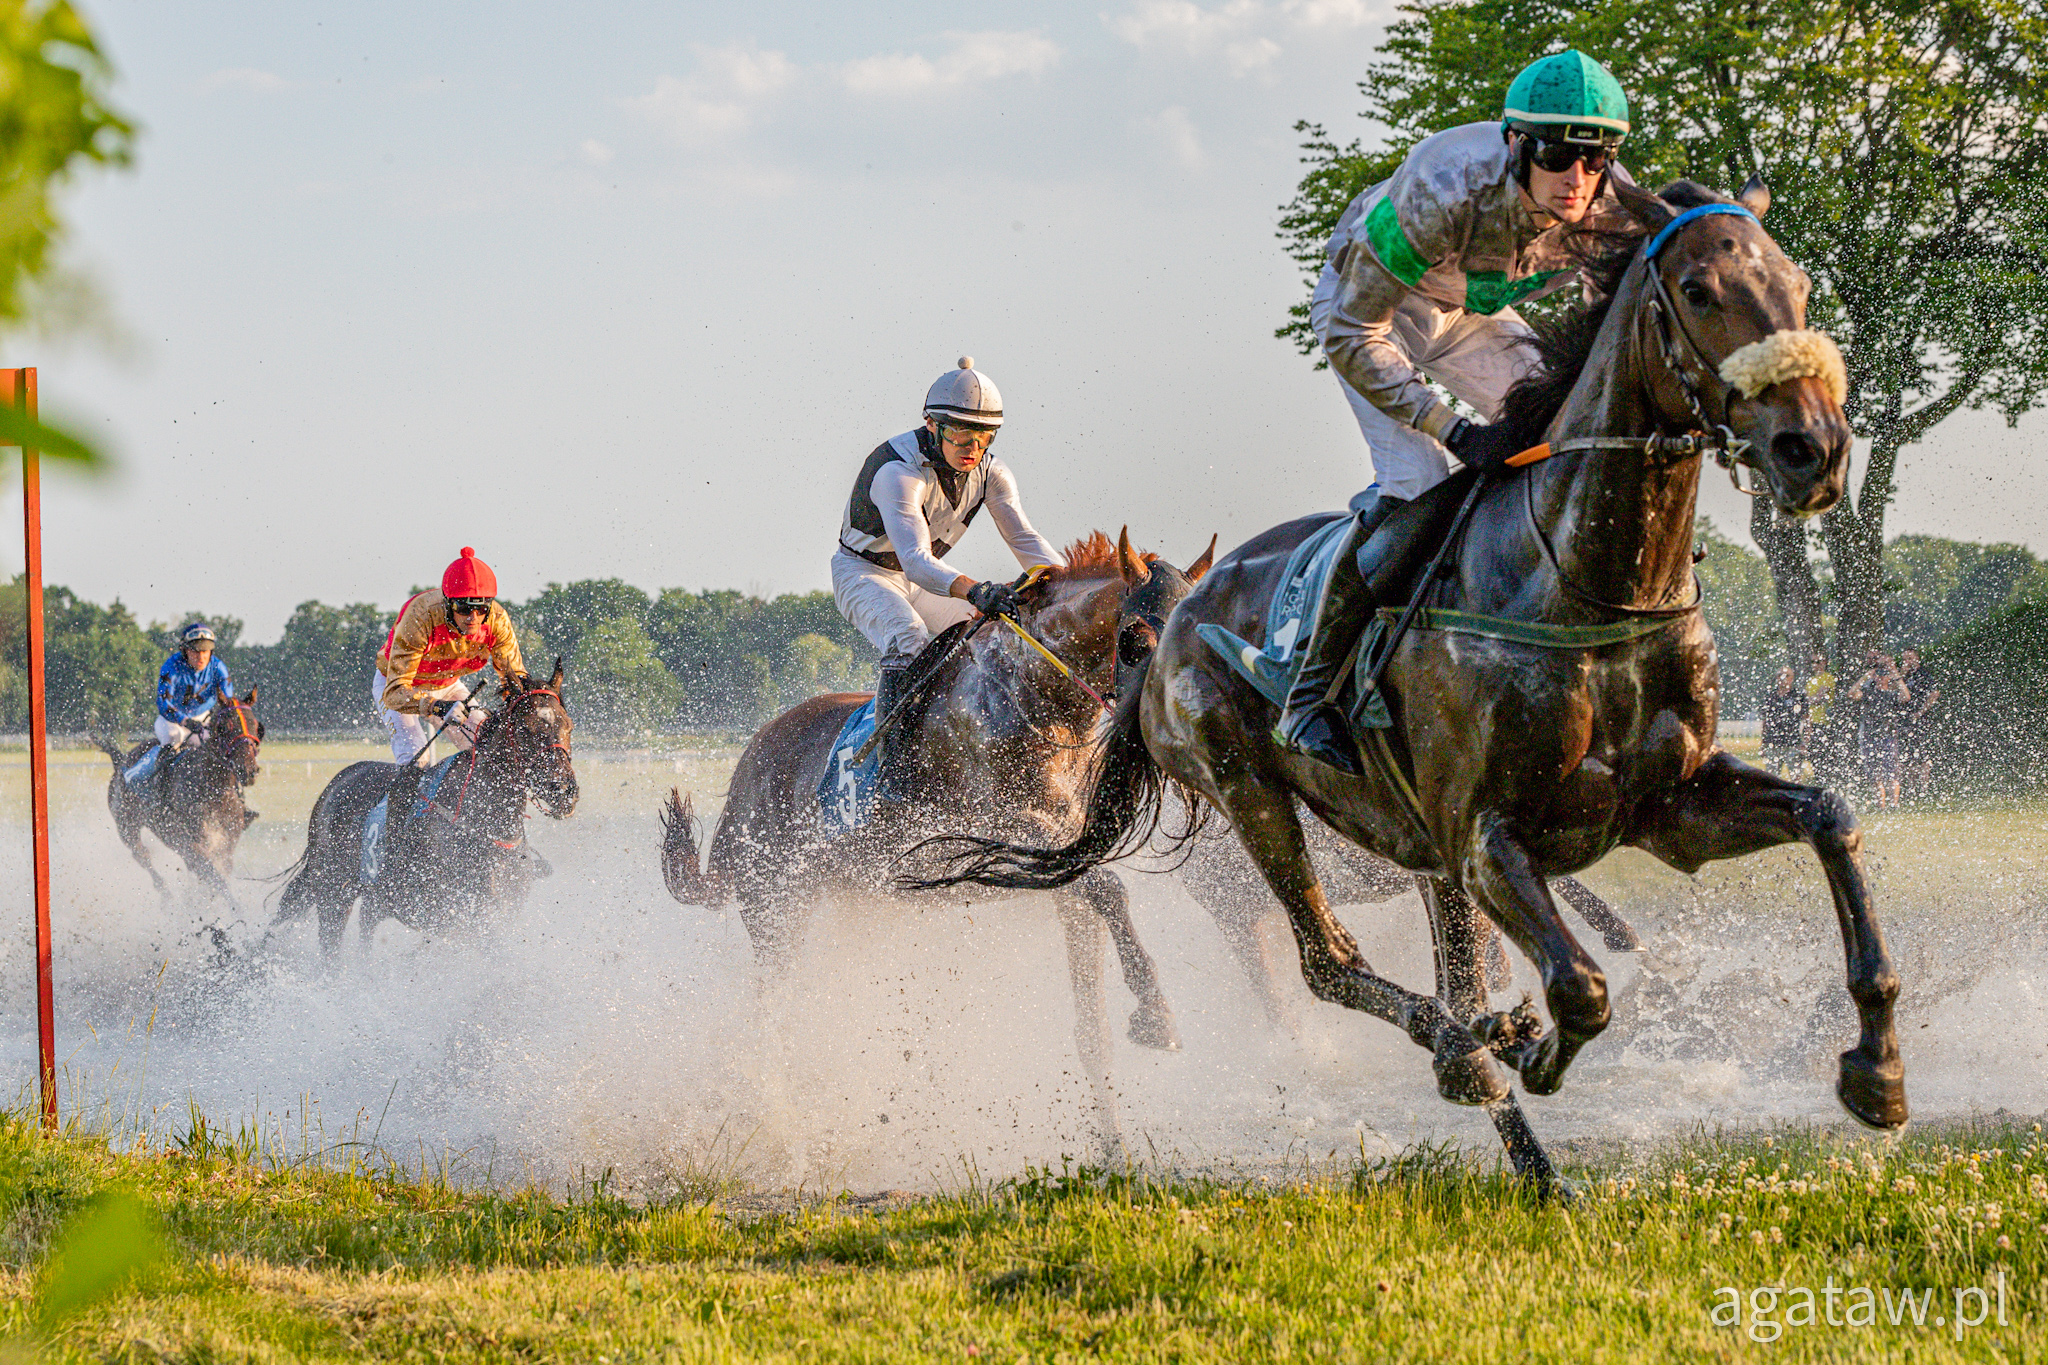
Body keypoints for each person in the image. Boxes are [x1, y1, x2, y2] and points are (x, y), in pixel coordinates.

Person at [1276, 48, 1637, 772]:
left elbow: (1616, 323)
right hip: (1369, 311)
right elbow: (1352, 333)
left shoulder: (1609, 206)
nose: (1578, 178)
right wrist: (1452, 429)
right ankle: (1311, 693)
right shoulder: (1440, 187)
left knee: (1571, 431)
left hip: (1469, 313)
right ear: (1516, 144)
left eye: (1597, 157)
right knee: (1420, 479)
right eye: (1558, 155)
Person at [833, 357, 1066, 794]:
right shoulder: (897, 472)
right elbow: (917, 560)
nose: (972, 447)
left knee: (985, 634)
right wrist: (977, 590)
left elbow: (1026, 540)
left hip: (921, 582)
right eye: (960, 433)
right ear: (932, 425)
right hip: (864, 574)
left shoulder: (992, 473)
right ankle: (894, 773)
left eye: (984, 436)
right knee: (908, 636)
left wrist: (1067, 588)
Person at [374, 547, 526, 767]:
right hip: (398, 686)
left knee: (488, 751)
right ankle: (401, 788)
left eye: (481, 608)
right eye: (464, 608)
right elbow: (394, 694)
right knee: (416, 760)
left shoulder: (498, 620)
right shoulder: (420, 615)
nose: (473, 617)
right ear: (448, 603)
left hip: (447, 686)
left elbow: (516, 682)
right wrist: (438, 706)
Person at [124, 622, 235, 788]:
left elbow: (228, 703)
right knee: (172, 738)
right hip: (172, 721)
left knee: (222, 749)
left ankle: (236, 794)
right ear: (185, 650)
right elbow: (163, 703)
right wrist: (184, 721)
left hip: (203, 719)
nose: (201, 656)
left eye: (205, 651)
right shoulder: (172, 666)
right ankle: (139, 779)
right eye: (195, 651)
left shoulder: (219, 668)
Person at [1847, 650, 1912, 809]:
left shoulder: (1891, 694)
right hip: (1869, 735)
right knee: (1874, 774)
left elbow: (1906, 697)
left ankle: (1893, 805)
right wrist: (1865, 677)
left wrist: (1896, 674)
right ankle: (1880, 806)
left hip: (1888, 735)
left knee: (1892, 773)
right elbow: (1851, 694)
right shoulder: (1868, 692)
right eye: (1878, 675)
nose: (1881, 678)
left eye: (1884, 675)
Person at [1898, 645, 1941, 796]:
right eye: (1904, 659)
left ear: (1917, 658)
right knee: (1908, 755)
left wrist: (1921, 712)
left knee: (1923, 755)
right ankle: (1911, 788)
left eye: (1910, 658)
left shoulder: (1924, 674)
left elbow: (1935, 693)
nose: (1907, 662)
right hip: (1904, 719)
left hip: (1922, 720)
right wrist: (1901, 674)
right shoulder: (1902, 676)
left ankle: (1924, 788)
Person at [1760, 664, 1807, 777]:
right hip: (1773, 743)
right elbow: (1765, 721)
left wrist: (1805, 742)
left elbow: (1807, 720)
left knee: (1796, 777)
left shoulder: (1798, 696)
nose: (1782, 678)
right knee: (1772, 778)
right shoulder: (1770, 696)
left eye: (1786, 675)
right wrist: (1763, 743)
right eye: (1780, 675)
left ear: (1792, 678)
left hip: (1793, 743)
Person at [1804, 649, 1838, 784]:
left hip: (1825, 723)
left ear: (1824, 662)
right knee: (1814, 757)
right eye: (1812, 662)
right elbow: (1808, 701)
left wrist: (1810, 699)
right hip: (1813, 723)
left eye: (1818, 661)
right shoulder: (1810, 681)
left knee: (1826, 757)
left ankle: (1828, 783)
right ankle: (1819, 782)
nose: (1815, 665)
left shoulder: (1828, 678)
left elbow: (1817, 698)